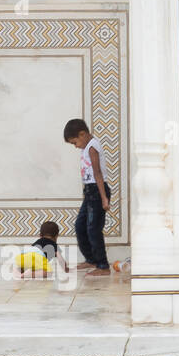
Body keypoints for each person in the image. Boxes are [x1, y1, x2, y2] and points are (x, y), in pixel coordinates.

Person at [63, 118, 112, 276]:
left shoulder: (92, 147)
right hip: (90, 192)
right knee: (80, 225)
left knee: (93, 229)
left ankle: (103, 265)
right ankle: (91, 259)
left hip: (98, 191)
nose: (75, 146)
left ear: (82, 134)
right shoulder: (86, 147)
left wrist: (104, 198)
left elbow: (97, 173)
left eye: (74, 142)